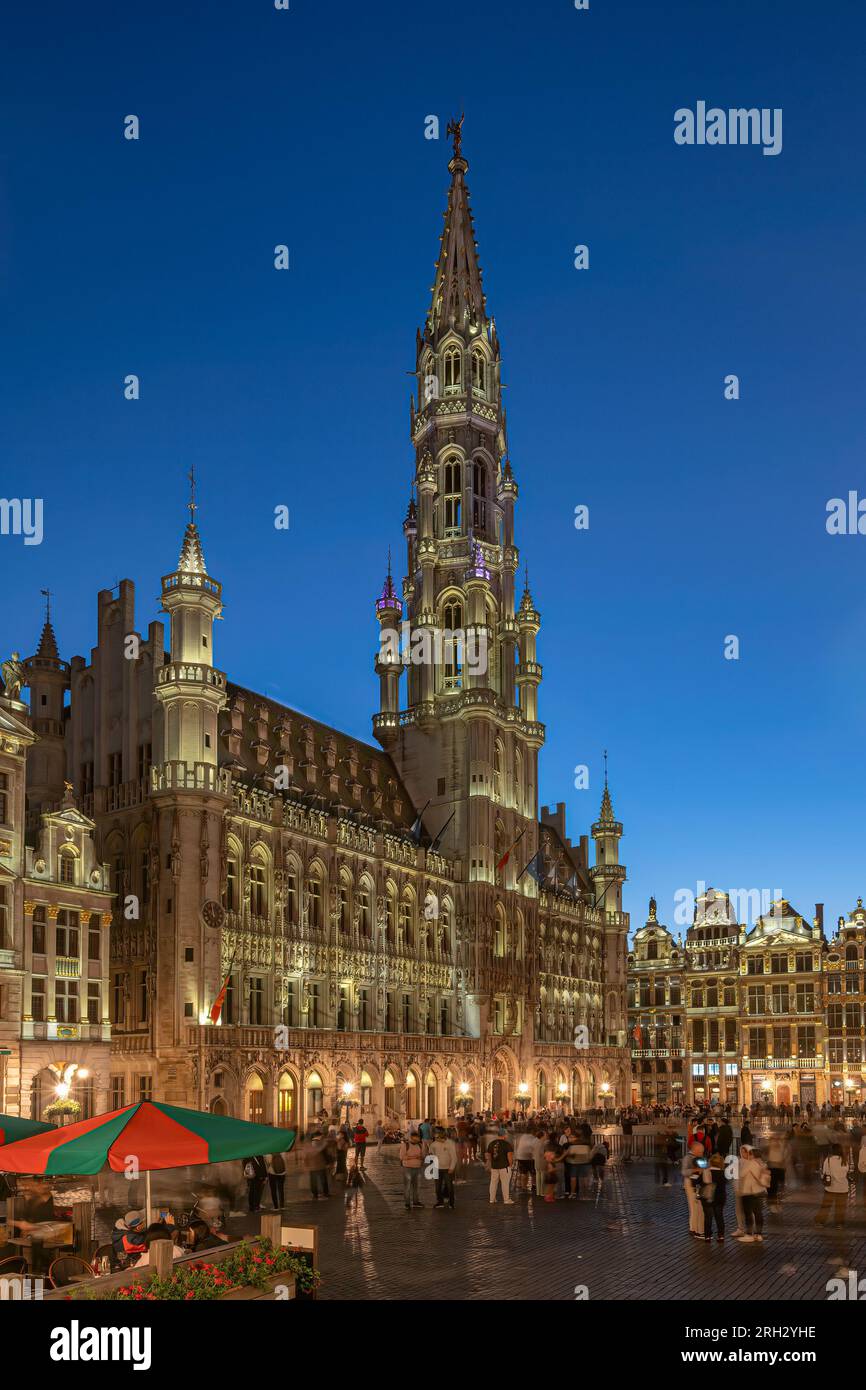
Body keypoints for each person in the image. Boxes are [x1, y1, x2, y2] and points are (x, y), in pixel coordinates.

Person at [736, 1144, 770, 1242]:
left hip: (749, 1192)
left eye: (749, 1154)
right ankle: (758, 1234)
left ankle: (749, 1234)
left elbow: (741, 1174)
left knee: (748, 1214)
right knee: (758, 1213)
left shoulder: (751, 1163)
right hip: (759, 1191)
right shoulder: (762, 1164)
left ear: (752, 1155)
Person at [815, 1143, 849, 1229]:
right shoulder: (845, 1160)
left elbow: (825, 1172)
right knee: (840, 1207)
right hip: (843, 1188)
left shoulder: (828, 1160)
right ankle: (839, 1224)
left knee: (826, 1206)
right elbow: (847, 1172)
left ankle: (820, 1222)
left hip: (831, 1188)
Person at [700, 1151, 727, 1243]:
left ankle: (707, 1236)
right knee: (719, 1216)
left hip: (707, 1197)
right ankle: (721, 1235)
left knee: (708, 1217)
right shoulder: (722, 1174)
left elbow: (698, 1182)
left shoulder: (706, 1172)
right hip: (719, 1198)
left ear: (710, 1162)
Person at [429, 1127, 458, 1209]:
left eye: (438, 1137)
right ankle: (440, 1201)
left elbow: (454, 1157)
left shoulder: (450, 1143)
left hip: (447, 1168)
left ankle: (451, 1203)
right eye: (435, 1137)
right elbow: (431, 1153)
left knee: (449, 1186)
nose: (436, 1139)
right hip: (437, 1168)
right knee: (437, 1187)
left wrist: (452, 1167)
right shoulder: (434, 1144)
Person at [682, 1141, 706, 1237]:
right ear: (694, 1150)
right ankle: (694, 1229)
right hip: (690, 1183)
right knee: (694, 1206)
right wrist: (696, 1170)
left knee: (697, 1207)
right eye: (700, 1152)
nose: (701, 1154)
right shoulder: (688, 1158)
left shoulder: (699, 1157)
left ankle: (695, 1228)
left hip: (698, 1183)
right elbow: (684, 1172)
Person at [486, 1128, 515, 1204]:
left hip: (494, 1167)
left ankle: (492, 1199)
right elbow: (510, 1156)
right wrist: (510, 1165)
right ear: (504, 1135)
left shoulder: (492, 1143)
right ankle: (506, 1199)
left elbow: (488, 1155)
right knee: (505, 1183)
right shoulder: (507, 1144)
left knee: (493, 1183)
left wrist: (490, 1163)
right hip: (504, 1167)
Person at [399, 1131, 425, 1210]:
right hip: (407, 1168)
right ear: (411, 1138)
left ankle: (416, 1202)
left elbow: (423, 1156)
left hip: (418, 1168)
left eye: (418, 1138)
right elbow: (402, 1157)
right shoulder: (405, 1145)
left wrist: (420, 1157)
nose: (417, 1139)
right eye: (415, 1138)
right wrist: (414, 1157)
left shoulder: (420, 1145)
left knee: (416, 1186)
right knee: (407, 1186)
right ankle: (407, 1203)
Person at [304, 1129, 332, 1200]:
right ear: (319, 1136)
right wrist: (328, 1163)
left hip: (312, 1166)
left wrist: (306, 1164)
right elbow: (326, 1154)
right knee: (323, 1180)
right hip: (321, 1165)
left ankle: (315, 1194)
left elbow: (306, 1155)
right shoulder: (322, 1144)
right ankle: (326, 1193)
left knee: (313, 1180)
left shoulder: (309, 1144)